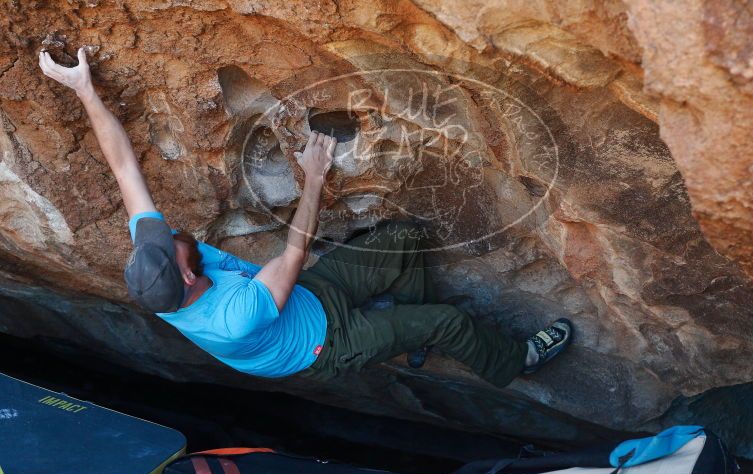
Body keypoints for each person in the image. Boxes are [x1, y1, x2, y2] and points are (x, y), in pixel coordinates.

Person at [38, 47, 574, 388]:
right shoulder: (233, 316)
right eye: (175, 246)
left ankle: (412, 331)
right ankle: (512, 361)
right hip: (323, 344)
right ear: (184, 275)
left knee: (405, 237)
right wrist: (313, 176)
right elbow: (295, 249)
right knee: (449, 321)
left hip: (309, 299)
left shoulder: (158, 273)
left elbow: (123, 168)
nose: (175, 234)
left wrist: (84, 89)